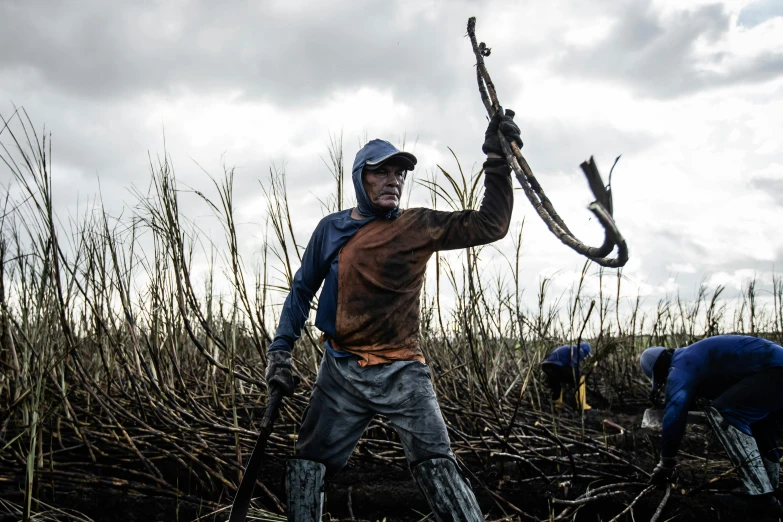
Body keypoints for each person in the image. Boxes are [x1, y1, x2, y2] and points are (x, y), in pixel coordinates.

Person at [264, 109, 521, 522]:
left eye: (399, 173)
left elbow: (491, 224)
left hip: (402, 369)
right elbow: (301, 289)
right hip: (341, 370)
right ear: (360, 179)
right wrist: (281, 352)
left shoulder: (417, 225)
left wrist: (496, 159)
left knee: (437, 461)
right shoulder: (331, 229)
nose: (394, 180)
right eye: (381, 172)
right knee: (308, 463)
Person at [640, 335, 783, 515]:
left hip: (774, 371)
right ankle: (770, 486)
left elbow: (675, 411)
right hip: (775, 370)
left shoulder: (680, 364)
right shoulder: (694, 355)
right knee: (760, 424)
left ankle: (761, 497)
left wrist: (666, 463)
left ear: (660, 370)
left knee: (725, 412)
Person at [540, 342, 592, 410]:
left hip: (546, 365)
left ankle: (557, 403)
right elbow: (573, 365)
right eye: (587, 354)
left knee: (558, 381)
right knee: (580, 378)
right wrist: (577, 375)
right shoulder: (580, 350)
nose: (585, 357)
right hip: (556, 365)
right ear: (585, 351)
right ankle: (581, 404)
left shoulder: (570, 347)